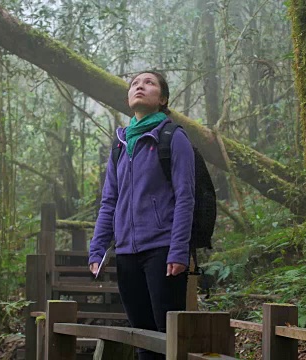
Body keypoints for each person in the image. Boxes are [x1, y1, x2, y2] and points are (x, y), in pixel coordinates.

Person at [88, 71, 195, 360]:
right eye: (135, 83)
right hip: (126, 253)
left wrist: (178, 251)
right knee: (142, 339)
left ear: (162, 99)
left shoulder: (173, 137)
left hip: (162, 251)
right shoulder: (120, 144)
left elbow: (186, 197)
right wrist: (97, 248)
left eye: (149, 83)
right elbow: (109, 200)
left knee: (169, 338)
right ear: (128, 97)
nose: (140, 86)